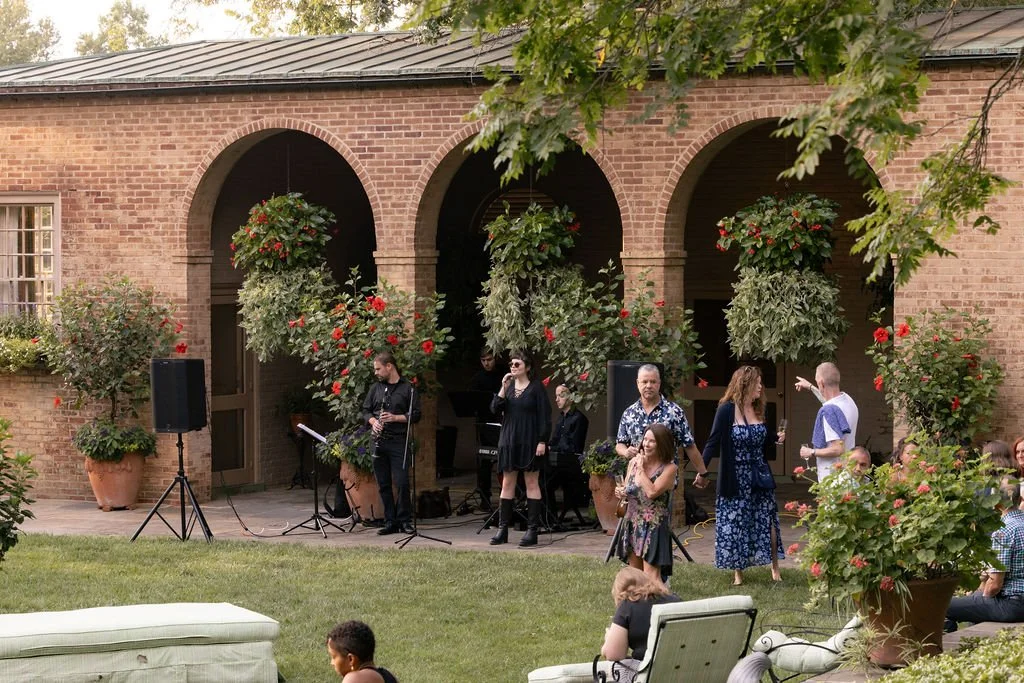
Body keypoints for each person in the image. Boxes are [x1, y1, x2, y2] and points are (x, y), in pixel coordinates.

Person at [702, 365, 786, 586]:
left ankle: (775, 567)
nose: (760, 386)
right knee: (737, 520)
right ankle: (738, 572)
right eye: (757, 382)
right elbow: (713, 441)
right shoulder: (726, 410)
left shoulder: (759, 409)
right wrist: (702, 470)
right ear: (745, 384)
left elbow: (764, 437)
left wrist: (776, 438)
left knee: (767, 519)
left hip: (758, 473)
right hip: (735, 475)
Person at [489, 350, 551, 547]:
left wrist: (542, 441)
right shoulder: (508, 388)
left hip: (530, 440)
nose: (513, 367)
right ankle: (502, 529)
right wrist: (502, 387)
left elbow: (545, 416)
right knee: (507, 483)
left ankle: (532, 530)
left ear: (527, 367)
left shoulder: (536, 388)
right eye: (511, 364)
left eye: (517, 364)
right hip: (509, 440)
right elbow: (494, 409)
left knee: (531, 481)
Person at [945, 479, 1024, 632]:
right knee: (974, 602)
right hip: (1018, 603)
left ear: (996, 504)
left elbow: (994, 586)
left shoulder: (1003, 531)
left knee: (944, 606)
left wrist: (981, 598)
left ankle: (939, 649)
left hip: (1012, 605)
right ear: (1019, 499)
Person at [615, 364, 709, 486]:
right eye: (644, 382)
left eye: (653, 382)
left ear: (659, 383)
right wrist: (625, 451)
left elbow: (689, 445)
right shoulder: (629, 413)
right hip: (637, 480)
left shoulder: (674, 412)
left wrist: (703, 473)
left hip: (664, 481)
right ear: (638, 383)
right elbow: (620, 443)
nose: (648, 385)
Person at [361, 352, 421, 536]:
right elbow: (365, 411)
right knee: (383, 484)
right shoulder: (376, 389)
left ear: (389, 366)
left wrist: (395, 417)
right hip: (379, 441)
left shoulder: (409, 389)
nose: (376, 373)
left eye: (378, 368)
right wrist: (373, 422)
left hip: (398, 441)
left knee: (402, 482)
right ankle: (390, 521)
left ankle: (405, 520)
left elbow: (416, 415)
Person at [615, 423, 678, 587]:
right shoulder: (633, 463)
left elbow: (652, 492)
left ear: (662, 444)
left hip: (654, 526)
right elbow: (628, 488)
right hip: (633, 523)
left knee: (652, 579)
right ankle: (637, 610)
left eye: (652, 441)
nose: (646, 444)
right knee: (635, 578)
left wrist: (641, 470)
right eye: (645, 439)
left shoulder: (670, 468)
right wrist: (621, 492)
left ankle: (662, 608)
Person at [600, 566, 682, 678]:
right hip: (680, 669)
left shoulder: (628, 606)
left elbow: (614, 654)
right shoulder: (676, 601)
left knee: (614, 668)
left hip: (650, 674)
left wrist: (608, 639)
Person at [795, 362, 859, 481]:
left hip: (832, 478)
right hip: (848, 472)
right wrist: (810, 387)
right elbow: (829, 402)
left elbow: (838, 449)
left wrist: (811, 452)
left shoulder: (829, 412)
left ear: (821, 383)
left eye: (816, 381)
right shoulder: (848, 400)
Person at [546, 384, 590, 518]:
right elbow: (555, 440)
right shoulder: (561, 418)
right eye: (556, 396)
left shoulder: (579, 419)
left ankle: (551, 518)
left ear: (571, 398)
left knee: (545, 482)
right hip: (559, 462)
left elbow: (573, 447)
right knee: (538, 476)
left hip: (571, 466)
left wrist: (553, 448)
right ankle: (545, 517)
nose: (557, 399)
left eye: (561, 395)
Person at [470, 346, 506, 508]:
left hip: (503, 422)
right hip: (485, 423)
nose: (486, 363)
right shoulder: (477, 378)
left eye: (489, 360)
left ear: (495, 359)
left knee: (505, 459)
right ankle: (485, 497)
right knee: (484, 461)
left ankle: (510, 495)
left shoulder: (503, 375)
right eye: (483, 360)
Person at [326, 620, 399, 682]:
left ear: (351, 659)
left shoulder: (354, 679)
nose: (331, 663)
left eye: (333, 657)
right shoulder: (389, 676)